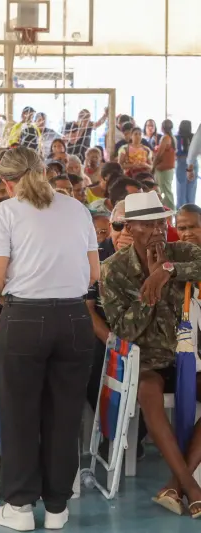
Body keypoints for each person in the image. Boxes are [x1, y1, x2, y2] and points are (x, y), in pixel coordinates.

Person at [0, 146, 99, 531]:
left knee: (19, 416)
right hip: (75, 318)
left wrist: (12, 288)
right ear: (44, 172)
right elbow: (94, 275)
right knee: (64, 416)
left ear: (6, 182)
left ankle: (19, 508)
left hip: (25, 318)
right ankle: (56, 508)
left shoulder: (6, 212)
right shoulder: (77, 209)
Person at [101, 191, 201, 518]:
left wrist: (167, 270)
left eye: (161, 222)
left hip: (189, 357)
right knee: (148, 391)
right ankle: (193, 489)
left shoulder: (182, 252)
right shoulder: (113, 269)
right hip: (145, 361)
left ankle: (176, 483)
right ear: (130, 228)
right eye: (148, 224)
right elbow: (124, 332)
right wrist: (149, 291)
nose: (158, 230)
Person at [153, 120, 177, 210]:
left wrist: (153, 166)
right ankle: (169, 210)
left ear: (162, 127)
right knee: (166, 190)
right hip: (168, 168)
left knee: (164, 191)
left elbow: (159, 154)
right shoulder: (172, 138)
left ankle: (170, 210)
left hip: (163, 168)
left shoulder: (166, 138)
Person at [176, 120, 196, 209]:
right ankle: (192, 210)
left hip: (181, 162)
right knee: (192, 189)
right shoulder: (194, 137)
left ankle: (181, 211)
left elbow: (177, 152)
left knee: (181, 189)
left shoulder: (177, 137)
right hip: (193, 163)